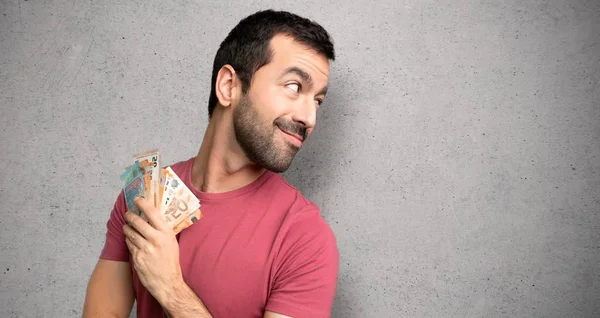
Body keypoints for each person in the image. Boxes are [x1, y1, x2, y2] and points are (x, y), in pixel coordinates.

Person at [82, 9, 339, 318]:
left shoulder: (305, 238)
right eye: (295, 87)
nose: (309, 118)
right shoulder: (144, 195)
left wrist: (171, 289)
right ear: (229, 85)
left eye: (317, 100)